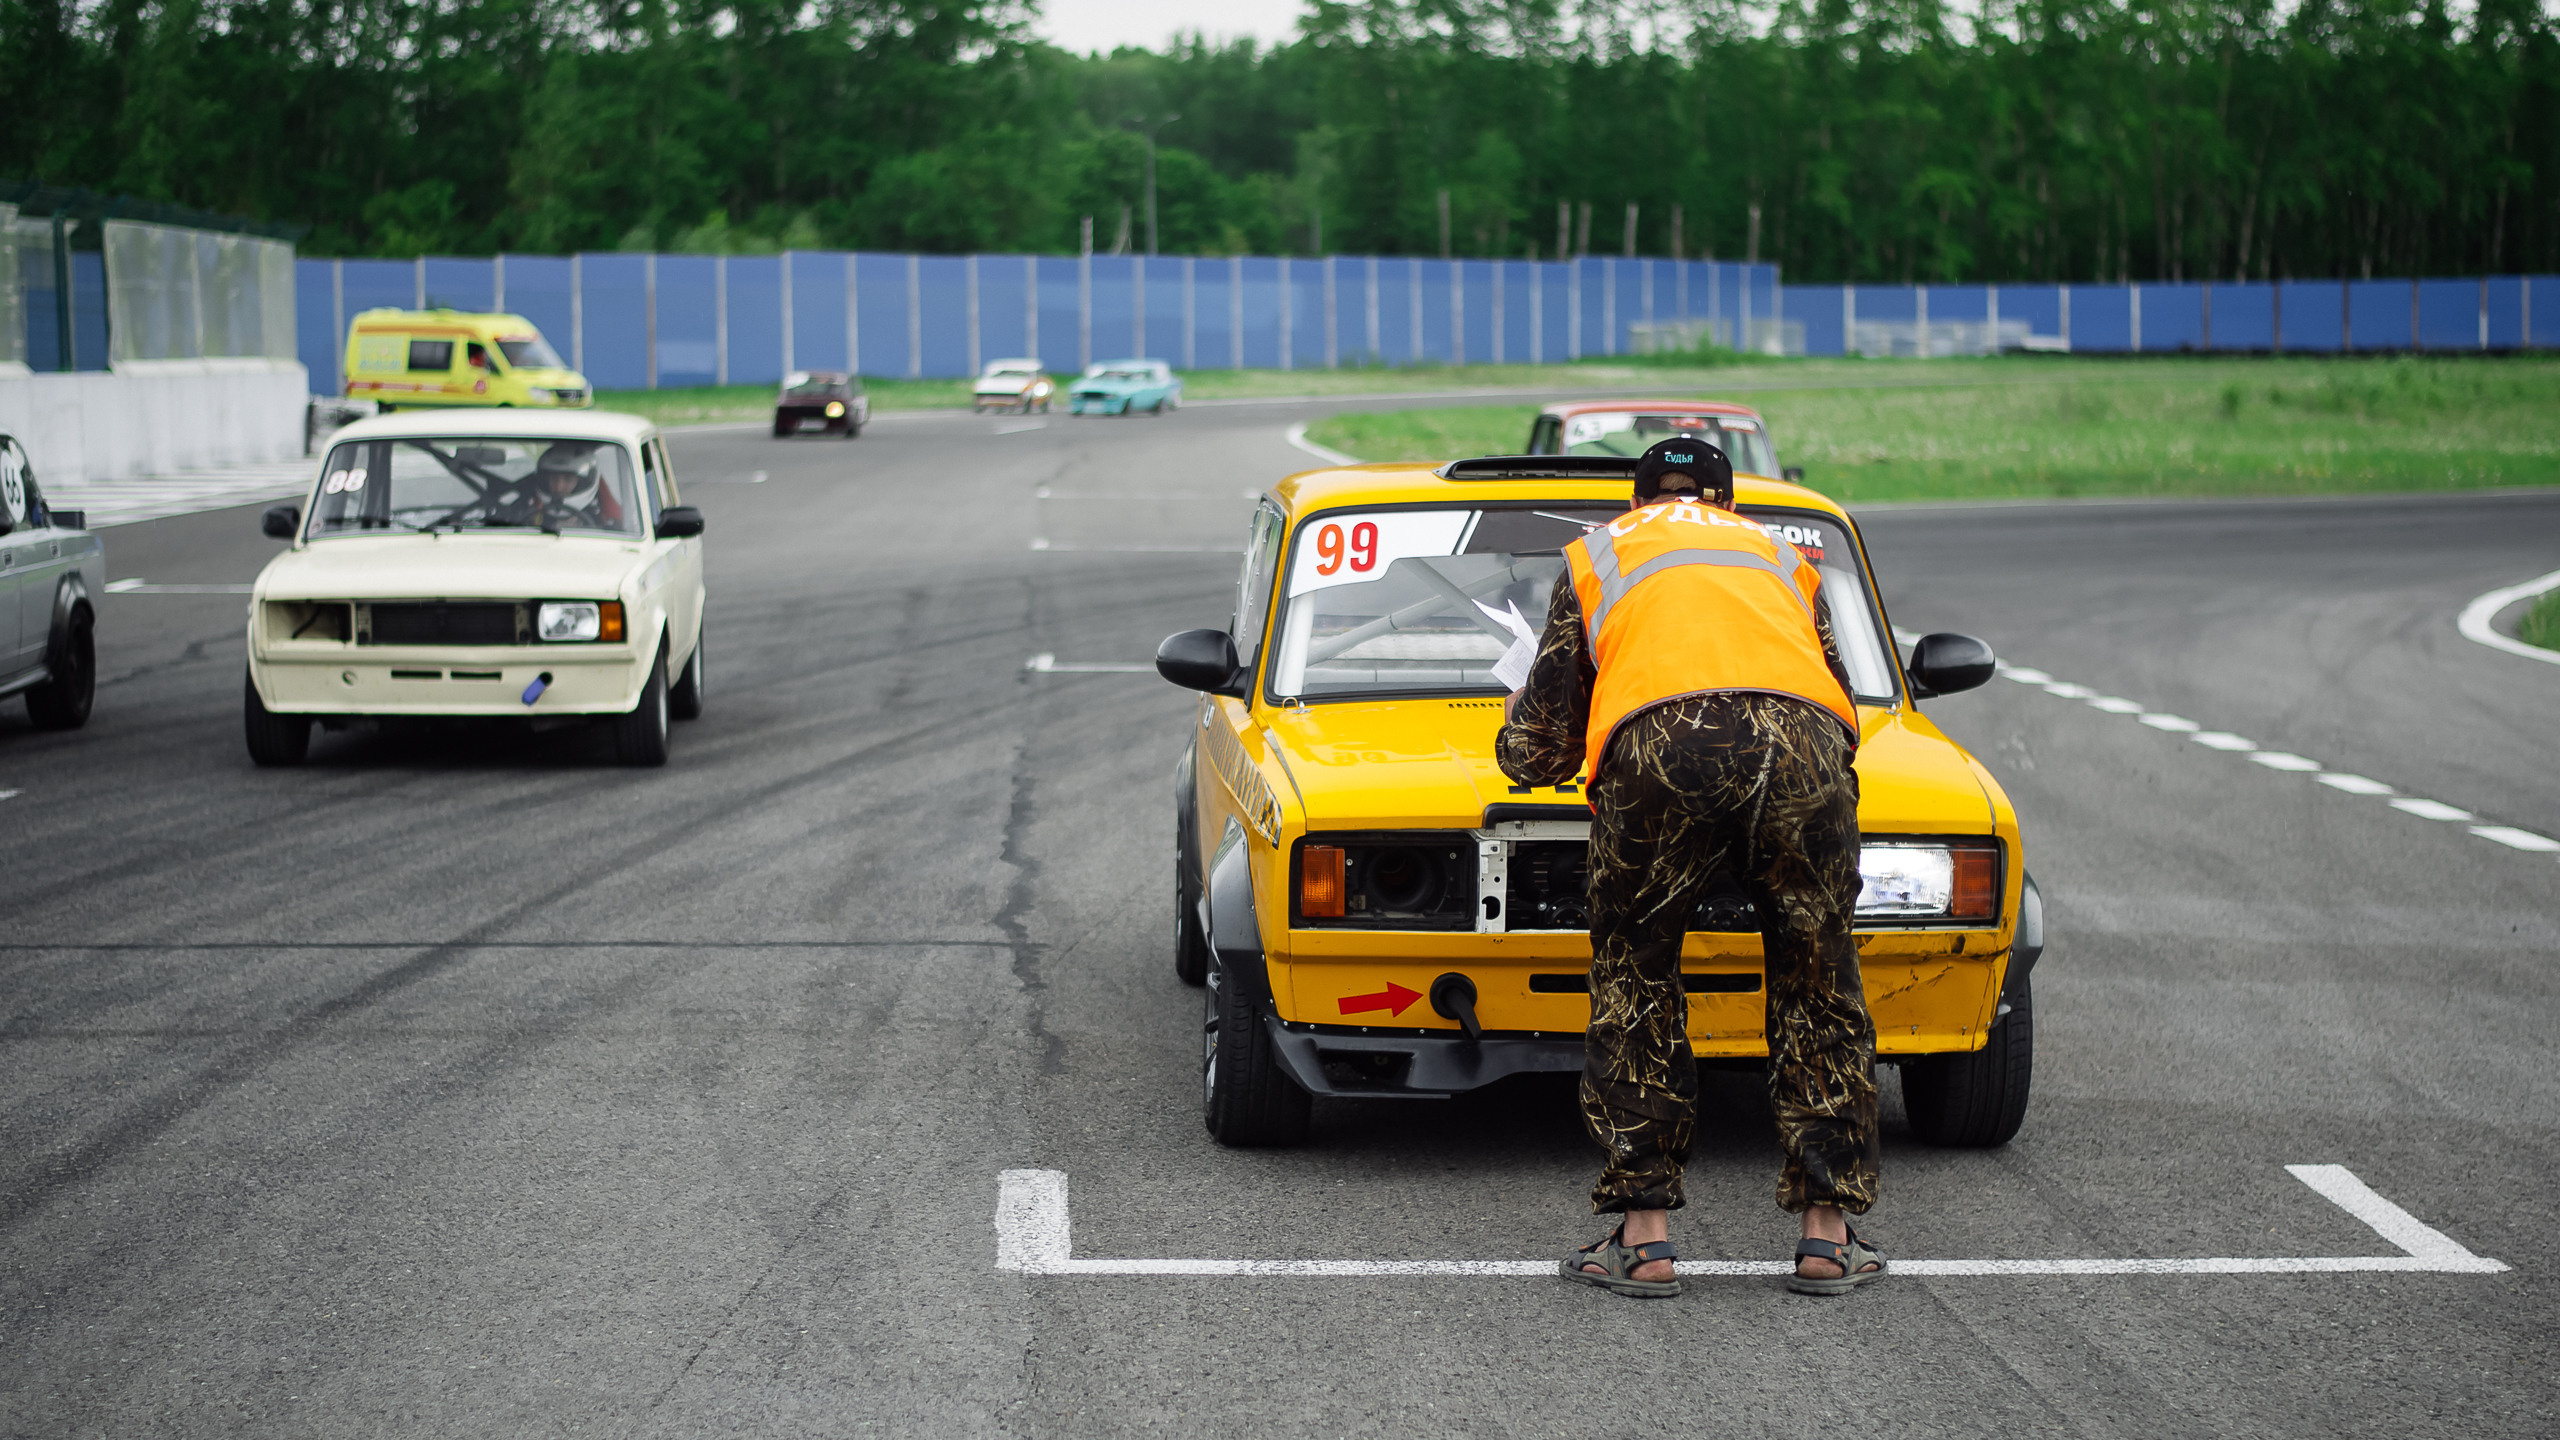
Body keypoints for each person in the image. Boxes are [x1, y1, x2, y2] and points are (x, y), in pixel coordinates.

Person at [1496, 437, 1884, 1300]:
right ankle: (1827, 1238)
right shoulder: (1782, 557)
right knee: (1818, 981)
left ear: (1635, 502)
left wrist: (1521, 729)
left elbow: (1537, 750)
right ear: (1728, 501)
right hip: (1805, 752)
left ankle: (1645, 1241)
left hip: (1662, 750)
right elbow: (1840, 696)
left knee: (1637, 978)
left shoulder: (1599, 555)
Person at [505, 443, 625, 530]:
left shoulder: (600, 519)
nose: (559, 486)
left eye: (568, 479)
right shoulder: (526, 513)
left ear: (581, 482)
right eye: (554, 478)